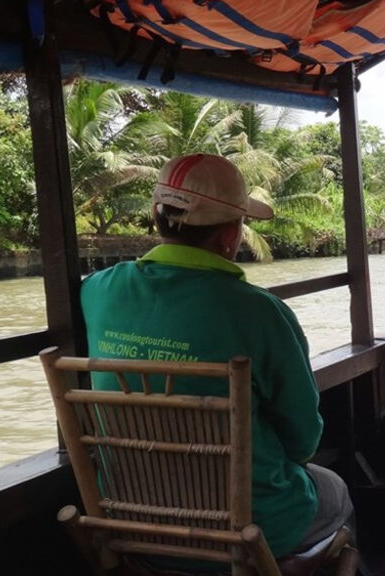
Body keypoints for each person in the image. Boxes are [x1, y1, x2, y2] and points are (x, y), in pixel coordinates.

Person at [80, 153, 354, 560]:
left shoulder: (98, 290)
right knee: (337, 492)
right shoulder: (261, 312)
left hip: (132, 525)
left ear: (157, 217)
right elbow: (303, 441)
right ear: (228, 236)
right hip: (247, 535)